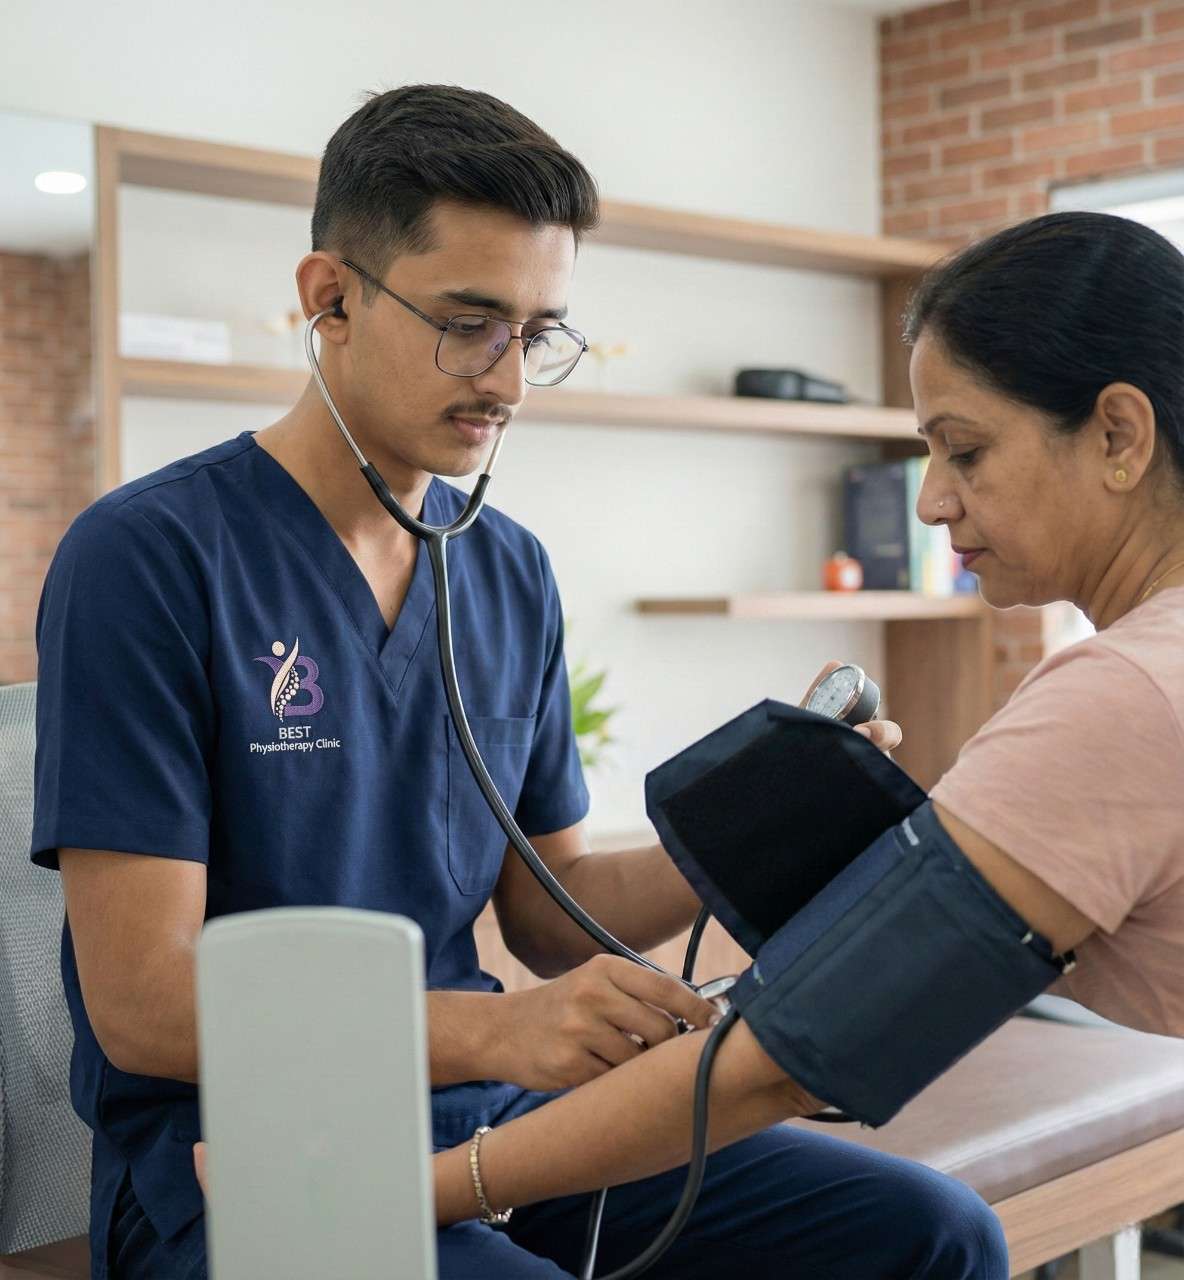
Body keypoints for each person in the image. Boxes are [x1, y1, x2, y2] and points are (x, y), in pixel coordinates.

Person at [33, 85, 1004, 1280]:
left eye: (539, 331)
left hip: (488, 1116)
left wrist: (779, 809)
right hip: (235, 1161)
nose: (508, 378)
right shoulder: (150, 557)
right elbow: (142, 1003)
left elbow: (551, 911)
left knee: (933, 1235)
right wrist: (499, 1027)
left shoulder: (503, 568)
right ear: (327, 298)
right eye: (468, 321)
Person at [406, 209, 1184, 1259]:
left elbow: (785, 1056)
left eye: (964, 449)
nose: (931, 504)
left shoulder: (1121, 692)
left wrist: (436, 1186)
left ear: (1117, 435)